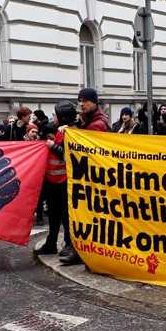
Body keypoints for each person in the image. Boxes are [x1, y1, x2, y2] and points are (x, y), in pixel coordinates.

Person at [57, 88, 110, 265]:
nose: (81, 104)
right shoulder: (87, 119)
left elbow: (87, 146)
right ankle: (79, 248)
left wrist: (72, 133)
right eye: (80, 101)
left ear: (94, 102)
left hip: (91, 177)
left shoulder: (98, 124)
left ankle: (80, 250)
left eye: (85, 100)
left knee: (84, 215)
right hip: (87, 175)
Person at [35, 100, 76, 257]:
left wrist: (53, 146)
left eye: (56, 115)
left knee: (66, 216)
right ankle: (51, 243)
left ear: (63, 117)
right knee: (53, 215)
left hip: (64, 182)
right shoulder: (59, 130)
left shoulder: (72, 133)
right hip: (53, 181)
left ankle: (69, 244)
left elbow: (69, 155)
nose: (53, 117)